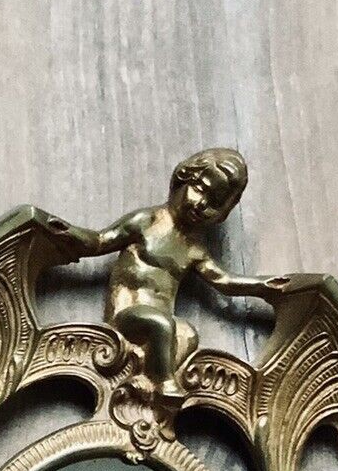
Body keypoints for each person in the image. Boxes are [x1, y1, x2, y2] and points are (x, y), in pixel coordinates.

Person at [70, 147, 286, 397]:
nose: (202, 204)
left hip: (161, 326)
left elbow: (223, 280)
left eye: (214, 203)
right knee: (161, 324)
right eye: (200, 189)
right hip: (127, 314)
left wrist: (264, 286)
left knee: (187, 334)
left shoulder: (193, 248)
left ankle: (146, 378)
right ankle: (164, 384)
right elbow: (99, 241)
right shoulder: (147, 221)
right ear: (183, 178)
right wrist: (62, 231)